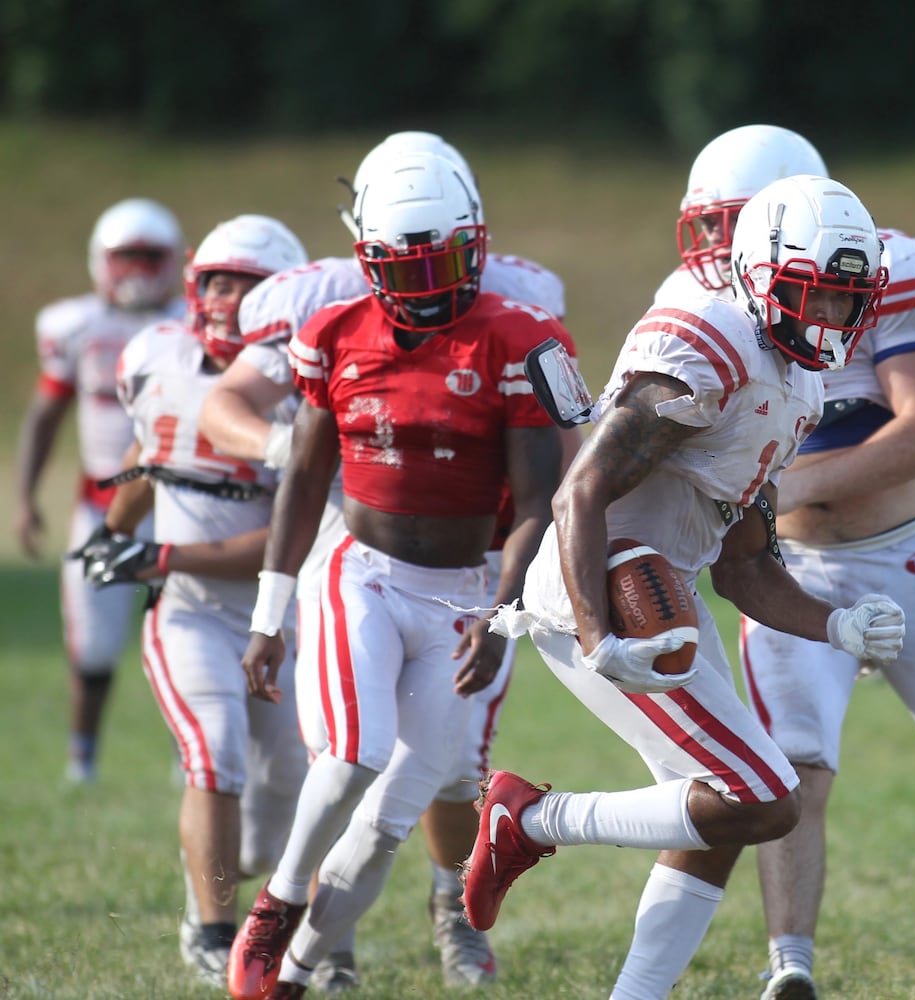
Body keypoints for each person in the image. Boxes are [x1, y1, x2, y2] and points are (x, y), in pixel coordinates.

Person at [461, 173, 907, 1000]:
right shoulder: (710, 345)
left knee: (721, 813)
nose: (833, 321)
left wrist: (838, 626)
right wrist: (601, 639)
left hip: (666, 594)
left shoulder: (799, 382)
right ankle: (525, 818)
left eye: (848, 301)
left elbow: (744, 565)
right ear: (760, 279)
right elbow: (578, 493)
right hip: (600, 583)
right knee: (767, 798)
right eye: (816, 296)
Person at [662, 125, 915, 999]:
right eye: (708, 229)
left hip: (907, 558)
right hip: (790, 571)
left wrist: (780, 481)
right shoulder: (706, 304)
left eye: (733, 226)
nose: (715, 254)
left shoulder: (882, 277)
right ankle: (792, 969)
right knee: (795, 768)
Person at [199, 129, 570, 991]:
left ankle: (294, 973)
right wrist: (267, 617)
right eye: (405, 270)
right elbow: (302, 476)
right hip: (360, 570)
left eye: (445, 263)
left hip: (467, 588)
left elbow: (539, 504)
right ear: (365, 256)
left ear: (477, 243)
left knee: (396, 816)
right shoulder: (331, 328)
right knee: (357, 755)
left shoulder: (520, 334)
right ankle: (277, 902)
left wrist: (504, 615)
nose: (430, 292)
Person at [81, 214, 311, 986]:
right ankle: (212, 928)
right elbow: (154, 455)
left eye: (245, 284)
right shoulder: (158, 358)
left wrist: (159, 551)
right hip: (187, 611)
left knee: (286, 790)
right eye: (215, 280)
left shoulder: (304, 388)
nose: (225, 298)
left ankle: (250, 900)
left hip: (277, 615)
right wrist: (114, 530)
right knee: (213, 753)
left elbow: (292, 537)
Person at [17, 197, 185, 783]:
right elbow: (45, 412)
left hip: (184, 507)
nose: (138, 271)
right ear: (101, 261)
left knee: (191, 639)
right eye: (127, 258)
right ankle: (80, 763)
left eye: (149, 257)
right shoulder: (77, 326)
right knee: (91, 647)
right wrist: (23, 498)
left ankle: (189, 760)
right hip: (101, 506)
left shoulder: (195, 322)